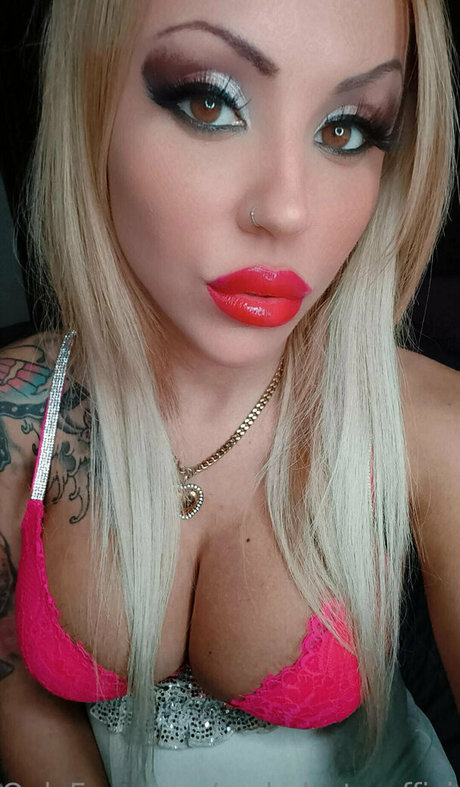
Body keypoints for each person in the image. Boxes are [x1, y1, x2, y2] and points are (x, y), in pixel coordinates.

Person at [0, 0, 459, 785]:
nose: (287, 209)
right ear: (91, 102)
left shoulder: (430, 428)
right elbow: (19, 690)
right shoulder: (18, 415)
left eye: (348, 128)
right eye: (209, 102)